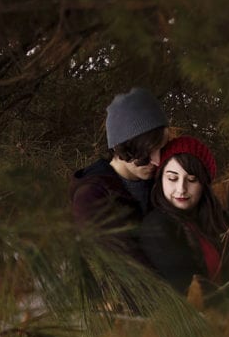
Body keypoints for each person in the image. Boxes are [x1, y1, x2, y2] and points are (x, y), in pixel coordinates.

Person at [139, 136, 229, 312]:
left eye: (192, 179)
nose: (181, 189)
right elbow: (189, 290)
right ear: (161, 178)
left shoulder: (219, 218)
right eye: (172, 178)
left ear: (204, 183)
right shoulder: (157, 226)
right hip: (211, 320)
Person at [69, 87, 169, 265]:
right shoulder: (91, 198)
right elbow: (125, 270)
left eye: (161, 149)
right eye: (146, 152)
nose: (157, 161)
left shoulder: (163, 182)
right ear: (122, 148)